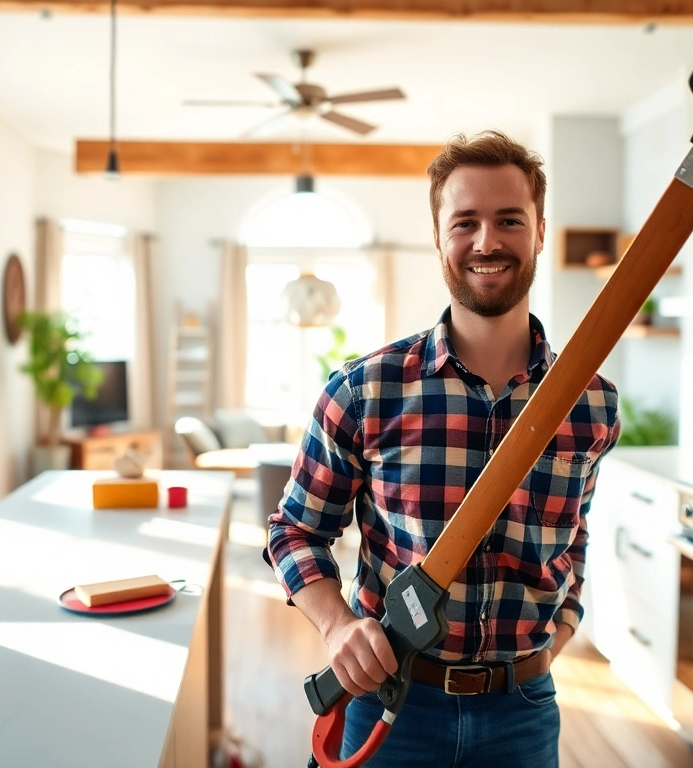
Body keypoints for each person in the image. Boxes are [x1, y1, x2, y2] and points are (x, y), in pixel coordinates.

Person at [265, 130, 622, 767]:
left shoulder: (591, 403)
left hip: (524, 713)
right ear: (438, 238)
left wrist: (560, 633)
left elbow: (575, 539)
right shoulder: (365, 389)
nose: (487, 241)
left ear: (539, 231)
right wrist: (338, 625)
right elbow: (293, 531)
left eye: (510, 219)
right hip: (390, 704)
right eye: (466, 222)